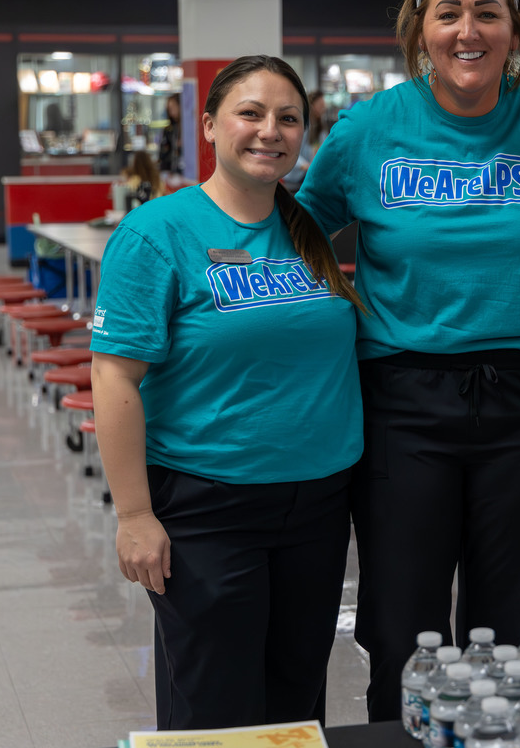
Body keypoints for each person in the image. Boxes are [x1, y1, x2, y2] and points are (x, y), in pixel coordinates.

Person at [297, 0, 520, 722]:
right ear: (420, 28)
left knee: (509, 622)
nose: (467, 29)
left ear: (515, 29)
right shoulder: (367, 130)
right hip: (404, 398)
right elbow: (300, 236)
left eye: (487, 11)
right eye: (449, 12)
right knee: (401, 616)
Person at [90, 55, 364, 730]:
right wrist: (133, 516)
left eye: (289, 118)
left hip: (320, 504)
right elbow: (115, 375)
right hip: (209, 509)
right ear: (209, 125)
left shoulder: (309, 233)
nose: (270, 131)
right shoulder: (158, 233)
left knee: (296, 700)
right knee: (216, 710)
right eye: (251, 113)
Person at [283, 89, 329, 192]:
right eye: (321, 104)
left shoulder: (319, 124)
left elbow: (323, 146)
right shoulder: (302, 123)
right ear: (312, 105)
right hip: (294, 177)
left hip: (307, 175)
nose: (324, 107)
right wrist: (305, 165)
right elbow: (291, 149)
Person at [158, 92, 183, 175]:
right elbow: (164, 151)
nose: (172, 112)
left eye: (173, 108)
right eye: (169, 109)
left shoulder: (187, 127)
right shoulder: (170, 129)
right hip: (171, 169)